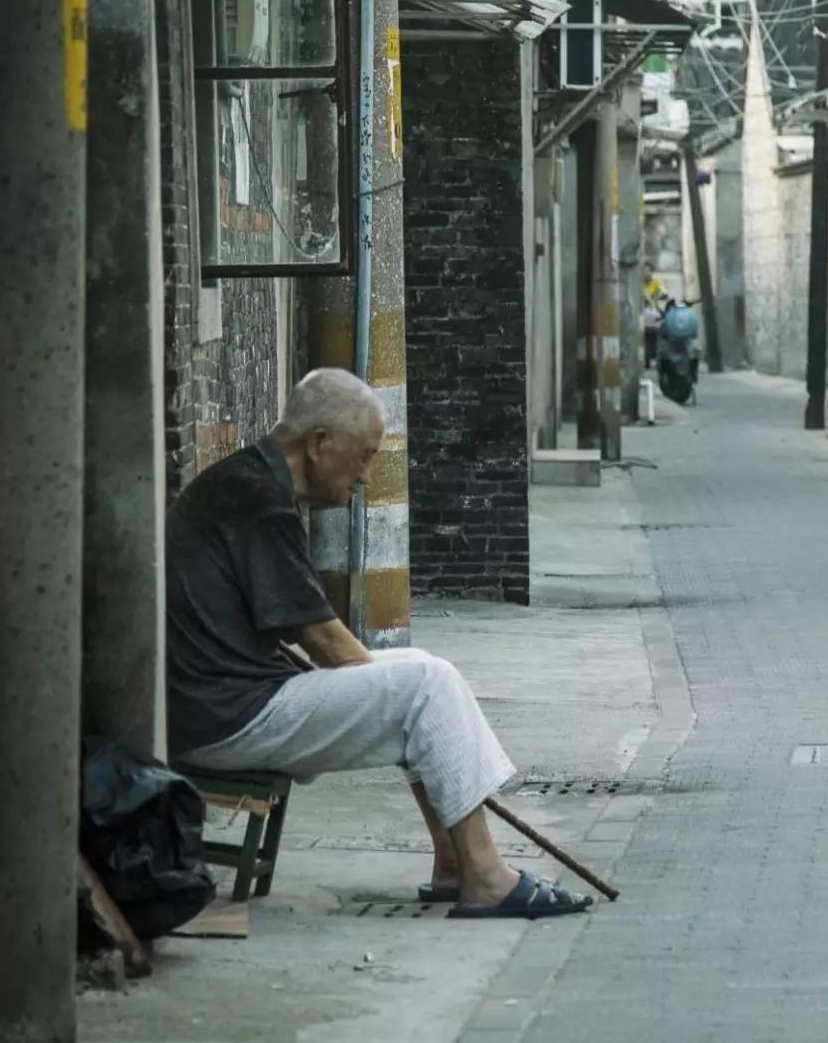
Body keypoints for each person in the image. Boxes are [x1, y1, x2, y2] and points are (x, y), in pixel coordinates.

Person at [165, 368, 593, 918]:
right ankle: (485, 875)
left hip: (223, 703)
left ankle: (453, 861)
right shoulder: (258, 496)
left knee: (418, 669)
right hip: (223, 717)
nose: (365, 477)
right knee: (422, 687)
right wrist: (395, 702)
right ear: (320, 445)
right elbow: (321, 636)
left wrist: (395, 702)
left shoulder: (249, 480)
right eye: (363, 456)